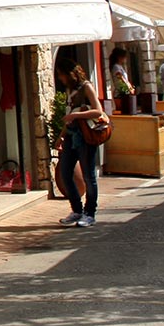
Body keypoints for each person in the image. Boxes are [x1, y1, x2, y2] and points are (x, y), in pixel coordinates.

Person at [57, 64, 108, 228]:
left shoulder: (86, 87)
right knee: (65, 173)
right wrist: (61, 136)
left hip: (85, 136)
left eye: (61, 75)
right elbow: (68, 115)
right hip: (71, 136)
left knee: (88, 176)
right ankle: (77, 210)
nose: (60, 78)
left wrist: (77, 115)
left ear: (70, 74)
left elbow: (98, 111)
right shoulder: (69, 90)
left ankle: (90, 213)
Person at [108, 46, 135, 115]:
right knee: (122, 111)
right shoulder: (116, 67)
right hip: (120, 93)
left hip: (124, 91)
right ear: (119, 57)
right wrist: (129, 87)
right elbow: (120, 77)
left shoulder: (119, 66)